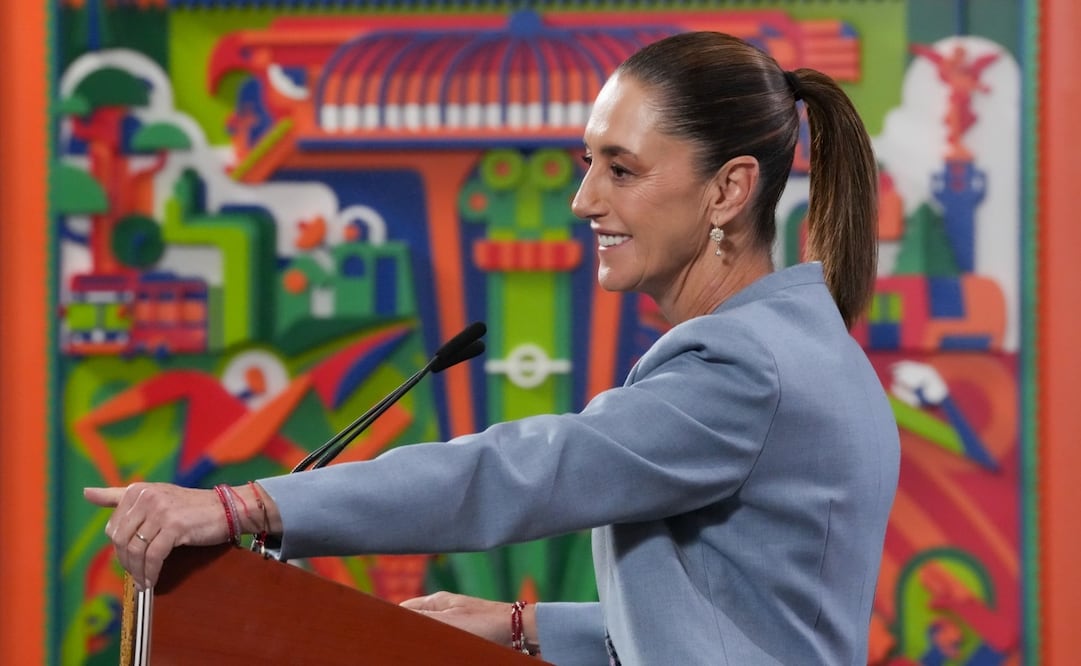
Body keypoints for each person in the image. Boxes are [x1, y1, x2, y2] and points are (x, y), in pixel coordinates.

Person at [85, 31, 899, 665]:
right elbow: (742, 618)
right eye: (589, 162)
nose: (585, 199)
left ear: (727, 190)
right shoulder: (801, 343)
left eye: (621, 169)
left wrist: (247, 506)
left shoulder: (741, 369)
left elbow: (522, 470)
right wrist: (520, 625)